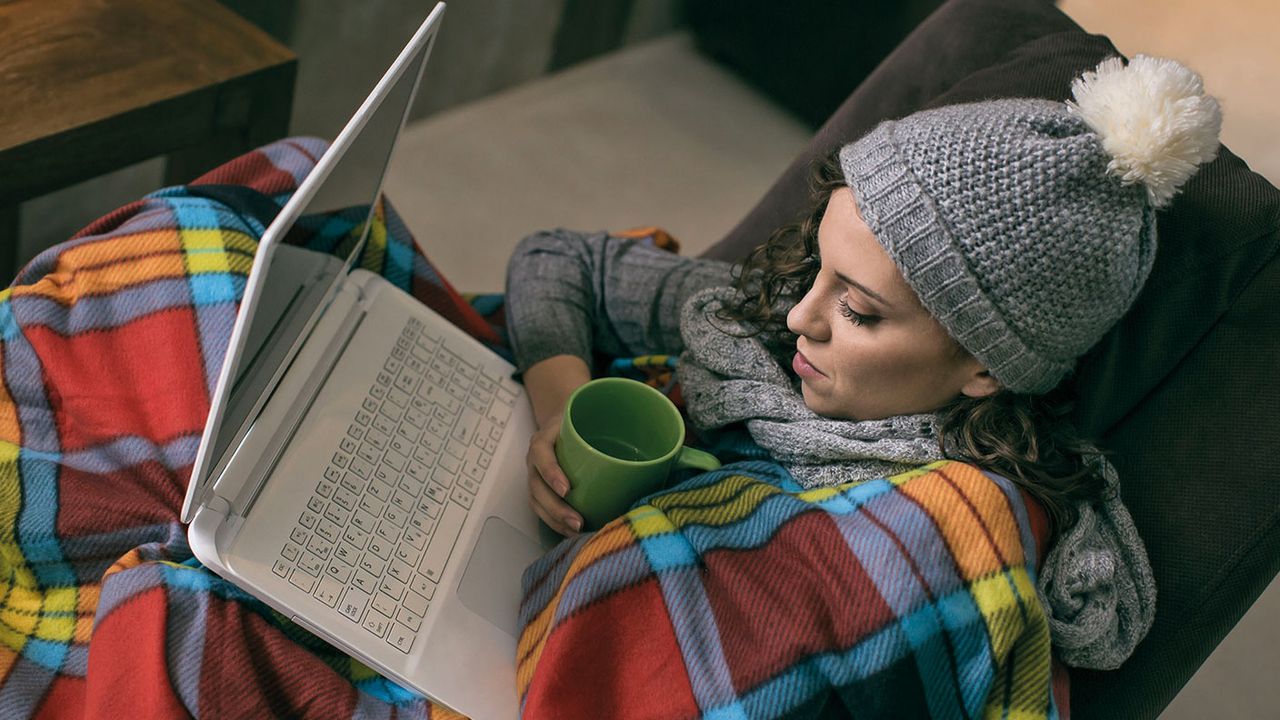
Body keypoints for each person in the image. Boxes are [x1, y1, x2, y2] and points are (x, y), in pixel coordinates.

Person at [505, 55, 1221, 673]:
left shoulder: (952, 528)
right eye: (820, 265)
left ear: (985, 367)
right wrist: (560, 416)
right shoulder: (761, 320)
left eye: (859, 311)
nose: (798, 318)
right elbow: (558, 262)